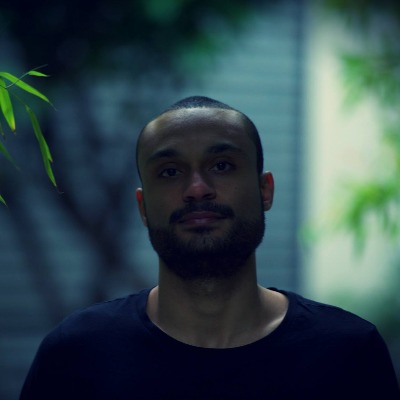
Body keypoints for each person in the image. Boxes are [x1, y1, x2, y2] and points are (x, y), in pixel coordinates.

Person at [20, 96, 399, 399]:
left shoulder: (348, 353)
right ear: (143, 206)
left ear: (265, 190)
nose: (197, 189)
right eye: (170, 172)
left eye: (222, 166)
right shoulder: (77, 354)